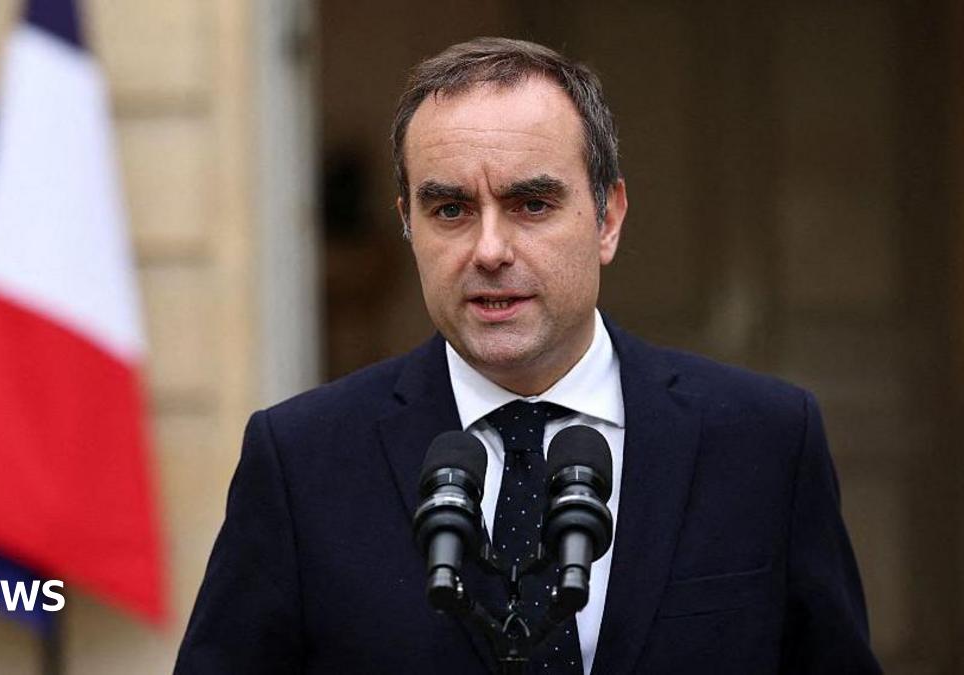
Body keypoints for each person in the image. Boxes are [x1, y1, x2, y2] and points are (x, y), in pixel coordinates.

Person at [175, 37, 880, 674]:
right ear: (407, 227)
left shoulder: (763, 440)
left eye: (531, 205)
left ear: (607, 218)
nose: (489, 250)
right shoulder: (301, 459)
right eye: (449, 210)